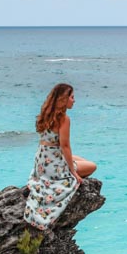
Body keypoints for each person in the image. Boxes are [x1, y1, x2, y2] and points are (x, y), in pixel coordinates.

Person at [24, 83, 96, 230]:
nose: (74, 100)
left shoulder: (44, 114)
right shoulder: (64, 118)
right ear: (64, 99)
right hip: (55, 165)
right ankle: (71, 168)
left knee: (78, 158)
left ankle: (70, 164)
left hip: (42, 160)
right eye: (72, 97)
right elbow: (65, 146)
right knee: (92, 166)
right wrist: (73, 173)